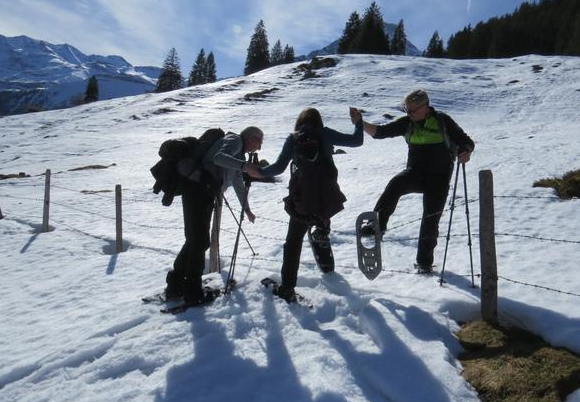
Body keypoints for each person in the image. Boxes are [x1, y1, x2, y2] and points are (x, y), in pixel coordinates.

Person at [352, 89, 474, 273]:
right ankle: (377, 226)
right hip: (415, 174)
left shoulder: (442, 121)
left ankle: (424, 264)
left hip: (439, 179)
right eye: (406, 110)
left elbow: (466, 141)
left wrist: (466, 151)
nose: (409, 114)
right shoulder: (408, 123)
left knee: (430, 220)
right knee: (396, 184)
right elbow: (381, 132)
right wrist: (361, 123)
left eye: (412, 110)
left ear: (425, 107)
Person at [259, 107, 363, 302]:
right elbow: (357, 141)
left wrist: (259, 171)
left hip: (303, 199)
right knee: (322, 223)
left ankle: (287, 288)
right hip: (327, 196)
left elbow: (279, 167)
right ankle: (326, 263)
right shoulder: (325, 133)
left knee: (293, 241)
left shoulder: (294, 137)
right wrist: (358, 122)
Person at [165, 126, 264, 304]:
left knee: (194, 239)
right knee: (200, 241)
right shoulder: (235, 141)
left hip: (202, 192)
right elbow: (219, 158)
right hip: (198, 191)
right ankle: (192, 291)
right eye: (259, 142)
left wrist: (247, 209)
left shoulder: (239, 152)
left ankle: (175, 284)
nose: (259, 148)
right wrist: (244, 166)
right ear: (252, 138)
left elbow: (237, 182)